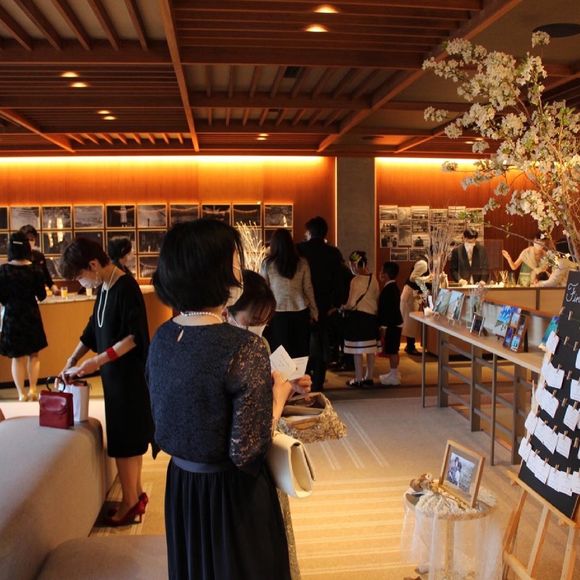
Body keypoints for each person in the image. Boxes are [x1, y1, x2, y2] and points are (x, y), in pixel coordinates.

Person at [147, 219, 293, 580]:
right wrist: (278, 398)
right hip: (231, 494)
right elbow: (247, 450)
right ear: (214, 272)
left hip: (182, 484)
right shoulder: (245, 346)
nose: (239, 271)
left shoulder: (163, 337)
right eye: (235, 262)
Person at [60, 238, 154, 527]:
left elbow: (134, 337)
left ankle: (129, 502)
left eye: (80, 276)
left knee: (125, 442)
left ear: (93, 264)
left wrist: (96, 362)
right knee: (127, 439)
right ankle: (135, 494)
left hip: (128, 377)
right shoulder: (104, 287)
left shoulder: (125, 287)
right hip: (114, 378)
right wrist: (72, 359)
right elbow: (92, 329)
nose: (81, 283)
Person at [227, 268, 310, 580]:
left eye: (265, 320)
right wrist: (280, 395)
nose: (259, 327)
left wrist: (291, 387)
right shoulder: (228, 353)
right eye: (253, 320)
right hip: (242, 467)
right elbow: (254, 431)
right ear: (227, 311)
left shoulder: (258, 345)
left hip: (261, 462)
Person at [0, 232, 48, 401]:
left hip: (12, 316)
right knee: (34, 355)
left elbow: (2, 297)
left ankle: (21, 393)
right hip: (31, 314)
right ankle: (33, 389)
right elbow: (42, 295)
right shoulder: (35, 269)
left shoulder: (3, 270)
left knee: (17, 357)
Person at [297, 216, 343, 391]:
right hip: (325, 305)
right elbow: (340, 281)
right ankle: (319, 381)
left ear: (309, 232)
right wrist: (336, 304)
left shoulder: (299, 250)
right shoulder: (333, 253)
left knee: (303, 343)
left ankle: (304, 380)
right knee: (323, 343)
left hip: (303, 304)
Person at [261, 228, 318, 358]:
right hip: (300, 311)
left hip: (277, 313)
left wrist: (263, 314)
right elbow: (308, 288)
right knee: (300, 351)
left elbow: (264, 290)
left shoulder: (268, 264)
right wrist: (315, 311)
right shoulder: (302, 263)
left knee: (280, 352)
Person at [342, 250, 380, 388]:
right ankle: (369, 377)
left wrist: (344, 307)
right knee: (370, 349)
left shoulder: (355, 281)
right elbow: (377, 297)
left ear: (355, 265)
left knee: (357, 350)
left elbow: (351, 303)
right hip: (371, 318)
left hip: (358, 318)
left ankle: (358, 378)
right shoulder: (373, 278)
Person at [378, 261, 404, 386]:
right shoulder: (393, 287)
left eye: (381, 271)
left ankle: (394, 376)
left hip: (392, 324)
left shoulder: (389, 289)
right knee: (394, 349)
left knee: (392, 350)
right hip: (395, 323)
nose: (380, 273)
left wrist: (384, 326)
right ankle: (394, 372)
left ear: (386, 274)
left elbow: (387, 310)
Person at [19, 224, 60, 295]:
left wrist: (54, 288)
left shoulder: (39, 256)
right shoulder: (17, 257)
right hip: (22, 295)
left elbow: (47, 277)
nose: (29, 242)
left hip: (39, 294)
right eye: (27, 240)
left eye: (32, 240)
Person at [401, 260, 429, 356]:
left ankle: (410, 346)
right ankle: (410, 347)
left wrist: (425, 291)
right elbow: (413, 278)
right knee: (410, 322)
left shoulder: (425, 263)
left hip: (414, 293)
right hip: (411, 293)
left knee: (411, 322)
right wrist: (428, 278)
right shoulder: (424, 263)